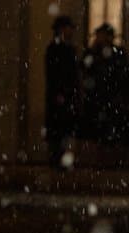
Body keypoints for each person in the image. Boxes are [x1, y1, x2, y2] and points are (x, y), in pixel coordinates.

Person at [79, 23, 129, 153]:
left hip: (110, 97)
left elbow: (122, 74)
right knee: (96, 132)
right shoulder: (93, 52)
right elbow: (84, 67)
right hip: (96, 97)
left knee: (109, 131)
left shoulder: (117, 53)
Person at [44, 15, 79, 167]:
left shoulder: (65, 49)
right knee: (59, 132)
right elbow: (54, 74)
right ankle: (57, 160)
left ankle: (60, 160)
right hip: (60, 97)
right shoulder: (56, 49)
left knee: (63, 131)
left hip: (65, 97)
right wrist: (60, 92)